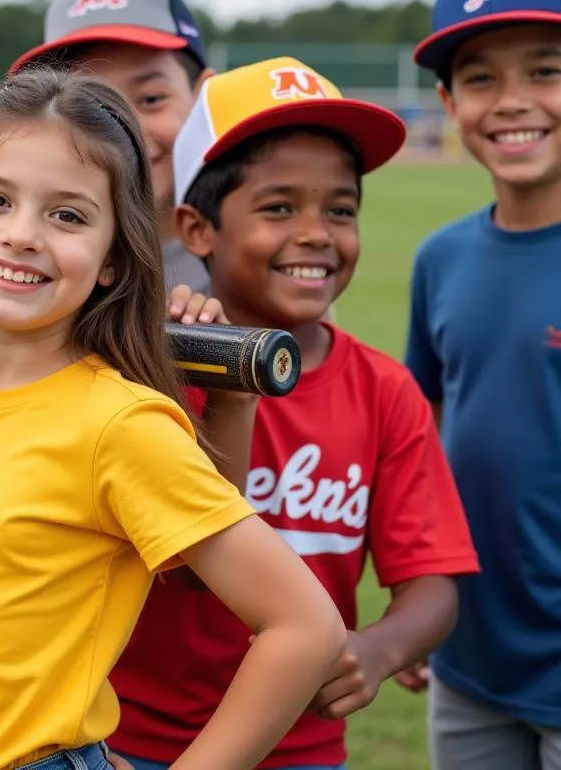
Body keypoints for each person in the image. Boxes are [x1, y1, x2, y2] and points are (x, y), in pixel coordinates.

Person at [0, 67, 348, 770]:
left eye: (67, 215)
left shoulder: (121, 424)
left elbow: (305, 626)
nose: (20, 234)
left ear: (111, 259)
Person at [107, 57, 480, 770]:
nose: (316, 233)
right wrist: (227, 393)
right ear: (198, 227)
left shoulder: (383, 389)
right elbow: (182, 569)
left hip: (301, 746)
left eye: (339, 209)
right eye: (279, 207)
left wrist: (378, 648)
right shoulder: (144, 372)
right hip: (134, 740)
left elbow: (432, 580)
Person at [402, 0, 561, 769]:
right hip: (470, 662)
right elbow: (427, 430)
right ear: (447, 102)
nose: (514, 103)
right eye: (480, 79)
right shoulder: (441, 259)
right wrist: (426, 601)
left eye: (546, 70)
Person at [9, 0, 215, 293]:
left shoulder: (245, 260)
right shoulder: (19, 258)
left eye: (151, 98)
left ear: (204, 96)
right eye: (90, 104)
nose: (125, 130)